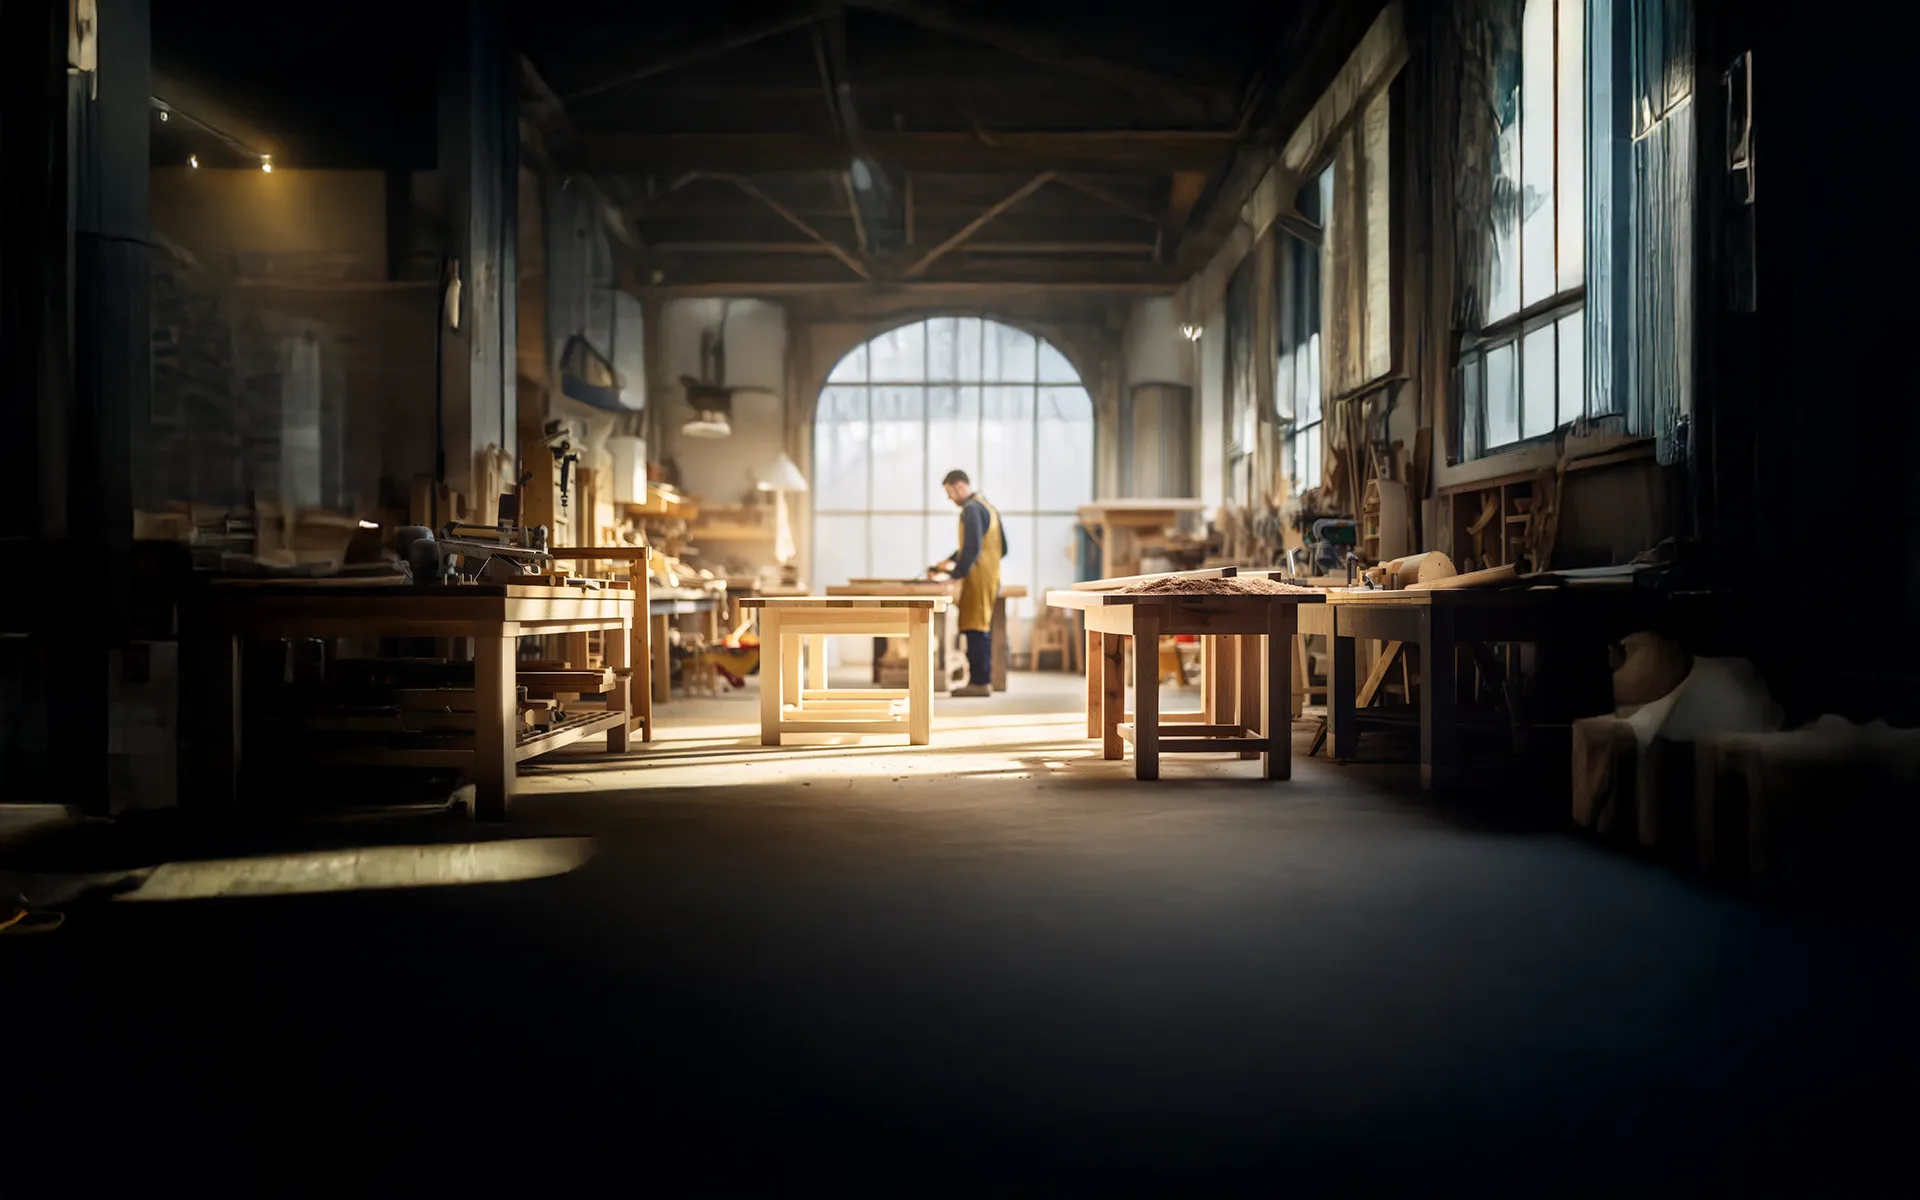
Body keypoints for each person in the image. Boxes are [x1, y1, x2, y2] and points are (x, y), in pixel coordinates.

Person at [927, 469, 1006, 697]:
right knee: (979, 626)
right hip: (989, 576)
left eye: (950, 492)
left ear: (960, 486)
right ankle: (980, 678)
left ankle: (980, 682)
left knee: (974, 628)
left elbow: (972, 548)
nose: (950, 498)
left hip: (976, 577)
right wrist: (950, 561)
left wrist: (957, 573)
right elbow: (1002, 548)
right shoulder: (987, 507)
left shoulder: (971, 510)